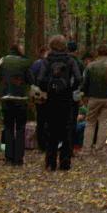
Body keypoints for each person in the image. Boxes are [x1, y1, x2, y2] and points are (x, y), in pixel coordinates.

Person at [35, 35, 82, 171]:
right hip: (66, 99)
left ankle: (50, 162)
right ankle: (65, 162)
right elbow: (78, 78)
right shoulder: (70, 60)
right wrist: (70, 88)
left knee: (51, 130)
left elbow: (40, 79)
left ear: (51, 45)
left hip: (51, 100)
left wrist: (47, 88)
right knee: (67, 129)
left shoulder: (46, 61)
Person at [0, 44, 33, 165]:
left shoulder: (2, 61)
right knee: (20, 128)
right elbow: (30, 79)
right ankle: (18, 158)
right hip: (20, 98)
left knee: (8, 127)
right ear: (19, 51)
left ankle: (8, 157)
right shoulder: (24, 62)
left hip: (6, 98)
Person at [81, 44, 107, 156]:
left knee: (90, 123)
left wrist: (84, 94)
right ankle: (99, 149)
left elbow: (85, 83)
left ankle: (86, 149)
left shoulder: (90, 66)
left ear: (97, 53)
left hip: (93, 98)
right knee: (104, 123)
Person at [30, 46, 49, 151]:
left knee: (40, 119)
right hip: (46, 94)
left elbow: (31, 79)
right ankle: (46, 143)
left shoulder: (35, 64)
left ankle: (41, 144)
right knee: (47, 119)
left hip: (38, 95)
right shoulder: (47, 64)